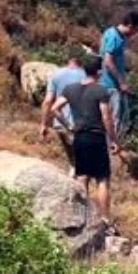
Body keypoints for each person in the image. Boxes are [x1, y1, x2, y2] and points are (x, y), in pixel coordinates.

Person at [42, 56, 119, 228]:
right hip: (96, 136)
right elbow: (106, 116)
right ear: (99, 72)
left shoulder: (71, 89)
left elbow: (55, 109)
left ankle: (80, 216)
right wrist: (113, 139)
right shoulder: (101, 90)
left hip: (79, 136)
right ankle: (105, 220)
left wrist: (69, 125)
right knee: (102, 179)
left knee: (82, 176)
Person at [38, 48, 87, 176]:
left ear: (67, 59)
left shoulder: (55, 75)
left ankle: (73, 169)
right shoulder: (86, 75)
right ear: (80, 59)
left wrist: (43, 124)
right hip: (81, 123)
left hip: (61, 121)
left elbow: (48, 101)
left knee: (71, 155)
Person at [99, 11, 138, 138]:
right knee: (115, 118)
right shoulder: (116, 38)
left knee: (108, 116)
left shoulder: (111, 32)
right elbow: (108, 61)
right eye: (136, 30)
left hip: (106, 82)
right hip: (111, 84)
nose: (136, 33)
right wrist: (121, 82)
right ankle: (111, 147)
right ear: (130, 25)